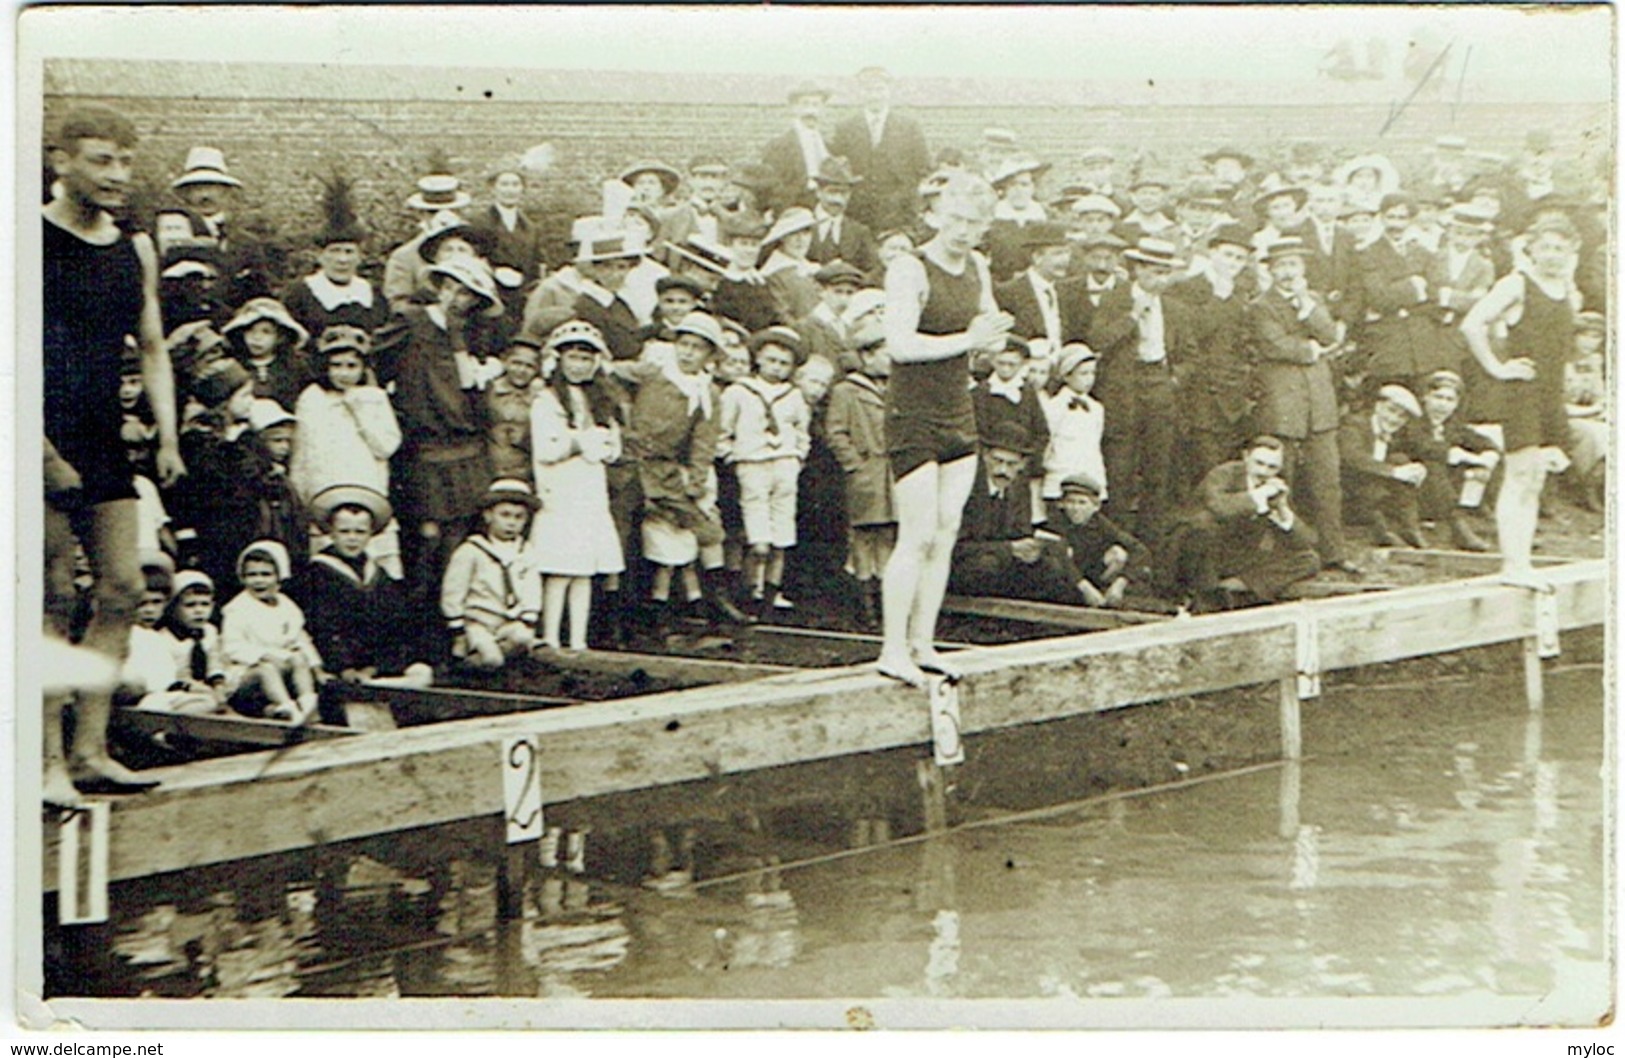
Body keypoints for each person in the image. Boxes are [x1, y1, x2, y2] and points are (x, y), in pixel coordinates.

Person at [43, 105, 185, 797]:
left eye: (126, 162)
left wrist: (169, 433)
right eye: (102, 161)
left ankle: (89, 753)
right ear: (61, 160)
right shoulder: (26, 237)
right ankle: (41, 763)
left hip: (102, 433)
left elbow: (153, 347)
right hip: (31, 433)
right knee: (48, 597)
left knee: (123, 589)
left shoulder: (135, 247)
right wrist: (39, 453)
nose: (118, 176)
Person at [877, 171, 1014, 686]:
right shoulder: (909, 268)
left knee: (945, 532)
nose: (963, 229)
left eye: (974, 221)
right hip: (912, 414)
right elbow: (901, 346)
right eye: (954, 217)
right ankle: (893, 650)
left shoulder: (977, 264)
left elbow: (990, 327)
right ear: (935, 214)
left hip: (959, 410)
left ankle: (923, 643)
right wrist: (969, 338)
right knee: (914, 535)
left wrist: (993, 339)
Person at [373, 254, 505, 604]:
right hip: (424, 449)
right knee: (425, 541)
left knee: (461, 541)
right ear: (442, 288)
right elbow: (374, 366)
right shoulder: (410, 323)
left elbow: (472, 394)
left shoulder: (469, 335)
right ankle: (421, 627)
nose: (461, 302)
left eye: (469, 298)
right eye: (457, 292)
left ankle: (458, 621)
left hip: (466, 450)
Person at [1460, 217, 1582, 588]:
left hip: (1551, 393)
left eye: (1560, 248)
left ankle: (1522, 561)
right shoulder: (1517, 283)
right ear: (1532, 249)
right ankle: (1514, 567)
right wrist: (1497, 368)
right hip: (1522, 391)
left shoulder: (1568, 289)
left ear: (1572, 252)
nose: (1553, 255)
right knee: (1520, 476)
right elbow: (1471, 324)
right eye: (1545, 247)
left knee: (1537, 479)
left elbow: (1561, 344)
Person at [1249, 236, 1361, 576]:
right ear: (1269, 270)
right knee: (1281, 480)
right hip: (1283, 403)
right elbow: (1274, 345)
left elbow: (1330, 336)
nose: (1287, 273)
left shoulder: (1312, 300)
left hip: (1319, 405)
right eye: (1281, 266)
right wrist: (1311, 350)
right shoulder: (1260, 306)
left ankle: (1333, 551)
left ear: (1303, 269)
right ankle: (1279, 551)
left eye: (1293, 265)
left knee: (1328, 481)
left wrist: (1307, 309)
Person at [1087, 236, 1194, 542]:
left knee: (1157, 469)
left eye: (1165, 273)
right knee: (1119, 468)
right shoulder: (1115, 299)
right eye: (1153, 272)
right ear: (1137, 269)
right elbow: (1098, 340)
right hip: (1123, 390)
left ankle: (1150, 545)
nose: (1160, 280)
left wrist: (1173, 381)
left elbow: (1190, 356)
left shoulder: (1176, 309)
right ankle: (1118, 541)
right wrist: (1132, 315)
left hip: (1159, 385)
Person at [529, 322, 627, 653]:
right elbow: (546, 449)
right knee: (560, 568)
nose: (578, 365)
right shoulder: (545, 399)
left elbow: (612, 445)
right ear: (559, 359)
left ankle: (579, 639)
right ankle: (553, 637)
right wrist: (581, 441)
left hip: (589, 488)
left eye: (586, 359)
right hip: (560, 488)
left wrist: (606, 445)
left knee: (584, 568)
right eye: (572, 357)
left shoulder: (599, 398)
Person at [291, 485, 434, 709]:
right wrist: (344, 667)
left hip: (375, 665)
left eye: (360, 532)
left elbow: (394, 626)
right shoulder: (317, 574)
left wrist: (376, 666)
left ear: (370, 534)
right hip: (338, 665)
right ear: (331, 532)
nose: (352, 539)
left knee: (421, 673)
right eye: (344, 532)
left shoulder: (378, 574)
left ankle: (376, 686)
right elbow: (322, 627)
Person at [290, 325, 404, 578]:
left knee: (375, 565)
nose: (344, 373)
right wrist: (301, 496)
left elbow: (386, 446)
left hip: (366, 488)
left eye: (352, 366)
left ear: (364, 368)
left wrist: (359, 408)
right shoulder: (312, 399)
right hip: (325, 492)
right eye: (336, 365)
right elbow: (302, 453)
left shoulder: (374, 398)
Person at [1164, 436, 1321, 611]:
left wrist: (1283, 509)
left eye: (1272, 467)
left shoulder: (1276, 485)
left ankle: (1233, 588)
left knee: (1309, 559)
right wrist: (1258, 496)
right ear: (1246, 456)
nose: (1264, 471)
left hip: (1239, 556)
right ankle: (1208, 593)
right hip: (1202, 555)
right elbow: (1219, 507)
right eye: (1259, 463)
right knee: (1203, 523)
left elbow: (1306, 541)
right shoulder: (1224, 474)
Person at [719, 326, 812, 613]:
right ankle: (750, 590)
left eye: (784, 363)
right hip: (752, 463)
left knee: (782, 533)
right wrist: (731, 456)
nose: (777, 368)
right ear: (758, 358)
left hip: (784, 465)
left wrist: (797, 456)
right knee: (757, 534)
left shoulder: (793, 395)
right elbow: (723, 430)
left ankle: (771, 595)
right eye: (771, 360)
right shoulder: (739, 391)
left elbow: (801, 431)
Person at [948, 421, 1080, 604]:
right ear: (985, 455)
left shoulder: (1018, 487)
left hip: (1002, 560)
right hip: (966, 567)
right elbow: (954, 547)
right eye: (997, 461)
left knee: (1050, 566)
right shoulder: (966, 488)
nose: (1002, 470)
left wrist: (1030, 548)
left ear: (1023, 464)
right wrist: (1009, 549)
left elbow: (1020, 531)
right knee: (986, 566)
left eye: (1011, 464)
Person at [1167, 221, 1256, 485]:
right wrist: (1218, 299)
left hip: (1234, 395)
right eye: (1228, 255)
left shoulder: (1242, 292)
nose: (1233, 263)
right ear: (1212, 253)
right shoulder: (1185, 288)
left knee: (1230, 469)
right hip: (1201, 395)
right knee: (1205, 468)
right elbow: (1190, 336)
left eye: (1240, 258)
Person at [825, 324, 896, 629]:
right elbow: (836, 432)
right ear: (867, 357)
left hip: (891, 475)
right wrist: (855, 465)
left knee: (888, 534)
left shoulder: (895, 388)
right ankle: (864, 601)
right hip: (867, 473)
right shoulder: (846, 391)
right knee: (864, 535)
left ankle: (885, 599)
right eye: (884, 353)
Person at [442, 479, 543, 669]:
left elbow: (532, 586)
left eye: (518, 517)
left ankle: (506, 663)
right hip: (479, 623)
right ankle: (464, 669)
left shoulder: (526, 551)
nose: (511, 523)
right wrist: (457, 627)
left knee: (524, 639)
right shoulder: (471, 550)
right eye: (505, 515)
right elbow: (453, 590)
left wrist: (529, 615)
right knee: (491, 659)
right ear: (488, 516)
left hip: (510, 621)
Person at [221, 540, 324, 724]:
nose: (259, 580)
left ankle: (308, 703)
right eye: (251, 575)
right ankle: (289, 709)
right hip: (247, 672)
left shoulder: (286, 605)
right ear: (242, 578)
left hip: (282, 665)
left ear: (279, 577)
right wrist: (266, 655)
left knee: (299, 658)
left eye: (266, 574)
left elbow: (300, 638)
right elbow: (233, 647)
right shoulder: (237, 609)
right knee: (266, 670)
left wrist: (316, 667)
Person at [281, 172, 387, 339]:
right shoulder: (300, 294)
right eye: (334, 251)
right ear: (320, 256)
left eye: (349, 252)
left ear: (360, 256)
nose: (342, 259)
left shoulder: (372, 294)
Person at [830, 66, 930, 232]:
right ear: (861, 93)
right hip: (857, 213)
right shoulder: (846, 128)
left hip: (899, 214)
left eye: (880, 89)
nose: (874, 95)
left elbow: (923, 167)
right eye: (869, 90)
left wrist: (909, 199)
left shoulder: (908, 127)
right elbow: (838, 171)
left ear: (889, 91)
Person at [1410, 370, 1499, 550]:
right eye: (1438, 397)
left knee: (1493, 462)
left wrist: (1489, 454)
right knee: (1433, 465)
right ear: (1425, 397)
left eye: (1449, 400)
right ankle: (1457, 526)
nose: (1442, 405)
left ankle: (1496, 518)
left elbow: (1483, 443)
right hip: (1414, 491)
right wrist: (1465, 456)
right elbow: (1426, 448)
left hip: (1445, 491)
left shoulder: (1452, 426)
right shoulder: (1413, 422)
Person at [1338, 384, 1429, 548]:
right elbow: (1352, 458)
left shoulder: (1394, 432)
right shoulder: (1354, 424)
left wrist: (1416, 469)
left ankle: (1410, 527)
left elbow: (1418, 450)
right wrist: (1394, 472)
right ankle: (1381, 530)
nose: (1394, 419)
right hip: (1347, 493)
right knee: (1388, 473)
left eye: (1402, 417)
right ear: (1378, 406)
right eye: (1391, 411)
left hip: (1373, 491)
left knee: (1400, 459)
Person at [1050, 472, 1154, 608]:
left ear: (1096, 506)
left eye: (1082, 503)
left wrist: (1120, 583)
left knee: (1118, 554)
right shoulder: (1056, 522)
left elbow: (1139, 550)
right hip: (1066, 581)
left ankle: (1105, 595)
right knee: (1060, 553)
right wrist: (1085, 588)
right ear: (1062, 504)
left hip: (1091, 575)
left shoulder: (1100, 523)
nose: (1075, 508)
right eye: (1070, 502)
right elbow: (1060, 559)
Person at [995, 221, 1089, 361]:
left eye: (1067, 252)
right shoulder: (1008, 293)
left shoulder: (1070, 292)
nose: (1065, 260)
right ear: (1036, 257)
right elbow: (1000, 339)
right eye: (1057, 254)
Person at [1038, 343, 1107, 519]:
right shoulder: (1054, 406)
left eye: (1092, 373)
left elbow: (1094, 445)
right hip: (1061, 476)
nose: (1089, 379)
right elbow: (1047, 443)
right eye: (1083, 374)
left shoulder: (1096, 408)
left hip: (1089, 476)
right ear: (1067, 376)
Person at [154, 569, 232, 714]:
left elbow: (214, 662)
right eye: (190, 605)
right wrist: (196, 687)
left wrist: (218, 685)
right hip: (180, 689)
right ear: (173, 608)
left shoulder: (210, 632)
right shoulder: (164, 638)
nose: (199, 611)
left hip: (207, 686)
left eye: (205, 604)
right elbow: (171, 675)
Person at [221, 296, 311, 412]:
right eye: (250, 331)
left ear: (280, 337)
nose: (257, 338)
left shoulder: (294, 367)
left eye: (266, 332)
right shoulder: (234, 366)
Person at [761, 81, 833, 214]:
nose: (810, 111)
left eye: (816, 104)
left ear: (823, 109)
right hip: (792, 212)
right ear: (794, 108)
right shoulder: (778, 146)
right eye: (805, 104)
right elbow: (772, 189)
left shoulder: (829, 147)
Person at [483, 334, 546, 483]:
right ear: (505, 363)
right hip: (490, 470)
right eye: (516, 363)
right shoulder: (488, 390)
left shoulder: (541, 397)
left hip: (527, 473)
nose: (521, 370)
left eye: (529, 366)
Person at [473, 164, 546, 286]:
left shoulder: (531, 228)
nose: (510, 190)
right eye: (504, 184)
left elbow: (537, 265)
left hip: (524, 293)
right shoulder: (480, 222)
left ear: (522, 189)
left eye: (515, 185)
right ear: (493, 189)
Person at [806, 156, 880, 277]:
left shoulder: (860, 232)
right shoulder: (801, 226)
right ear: (818, 192)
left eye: (843, 193)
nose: (838, 199)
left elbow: (874, 273)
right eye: (832, 191)